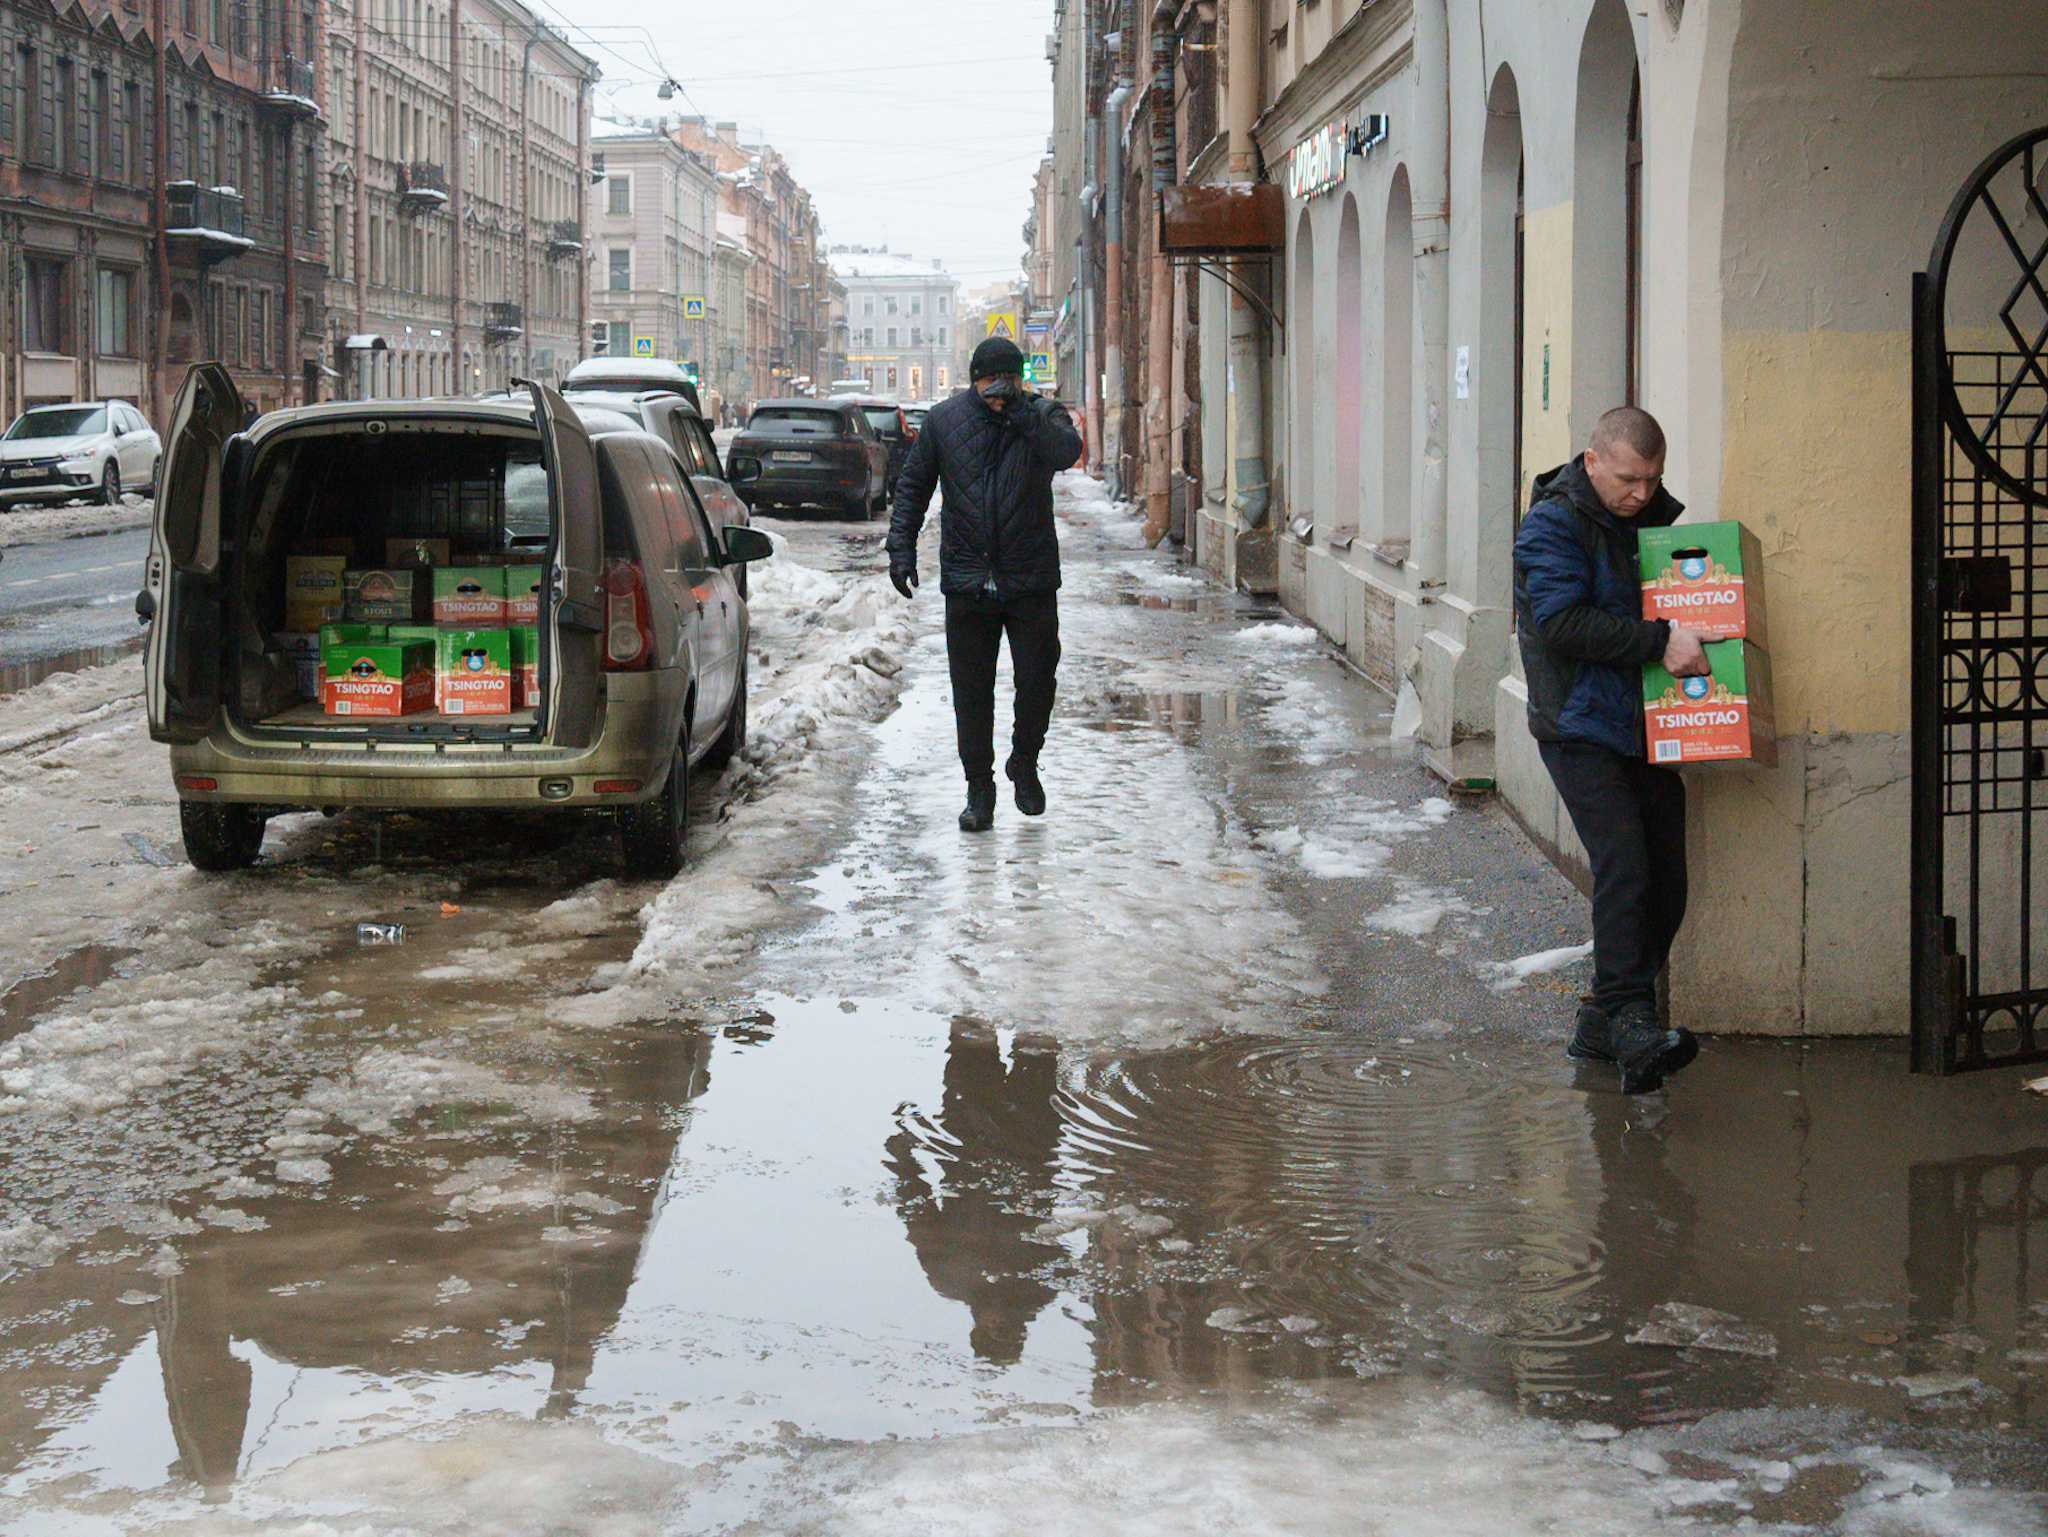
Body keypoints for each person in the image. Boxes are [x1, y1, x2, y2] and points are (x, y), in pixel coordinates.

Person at [1512, 406, 1711, 1094]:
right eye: (1629, 479)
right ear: (1592, 462)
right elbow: (1563, 622)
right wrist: (1662, 641)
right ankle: (1631, 1020)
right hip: (1576, 723)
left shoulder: (1645, 524)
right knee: (1623, 862)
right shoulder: (1551, 526)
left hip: (1640, 721)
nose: (1642, 493)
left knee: (1668, 875)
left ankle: (1603, 1019)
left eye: (1653, 480)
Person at [888, 335, 1083, 832]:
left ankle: (1024, 763)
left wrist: (1021, 411)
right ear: (973, 380)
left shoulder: (1043, 416)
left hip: (1030, 577)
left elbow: (1067, 452)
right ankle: (979, 788)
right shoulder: (944, 420)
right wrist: (901, 549)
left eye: (1007, 380)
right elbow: (913, 486)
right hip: (968, 579)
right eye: (988, 381)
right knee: (971, 693)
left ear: (1020, 379)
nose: (996, 390)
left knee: (1037, 681)